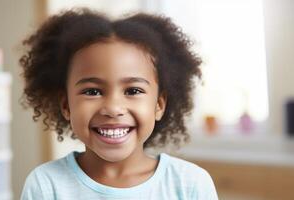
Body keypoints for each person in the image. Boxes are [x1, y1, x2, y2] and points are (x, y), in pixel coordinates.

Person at [19, 8, 218, 200]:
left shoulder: (190, 184)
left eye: (133, 91)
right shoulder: (46, 185)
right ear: (66, 106)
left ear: (158, 105)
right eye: (93, 91)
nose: (113, 108)